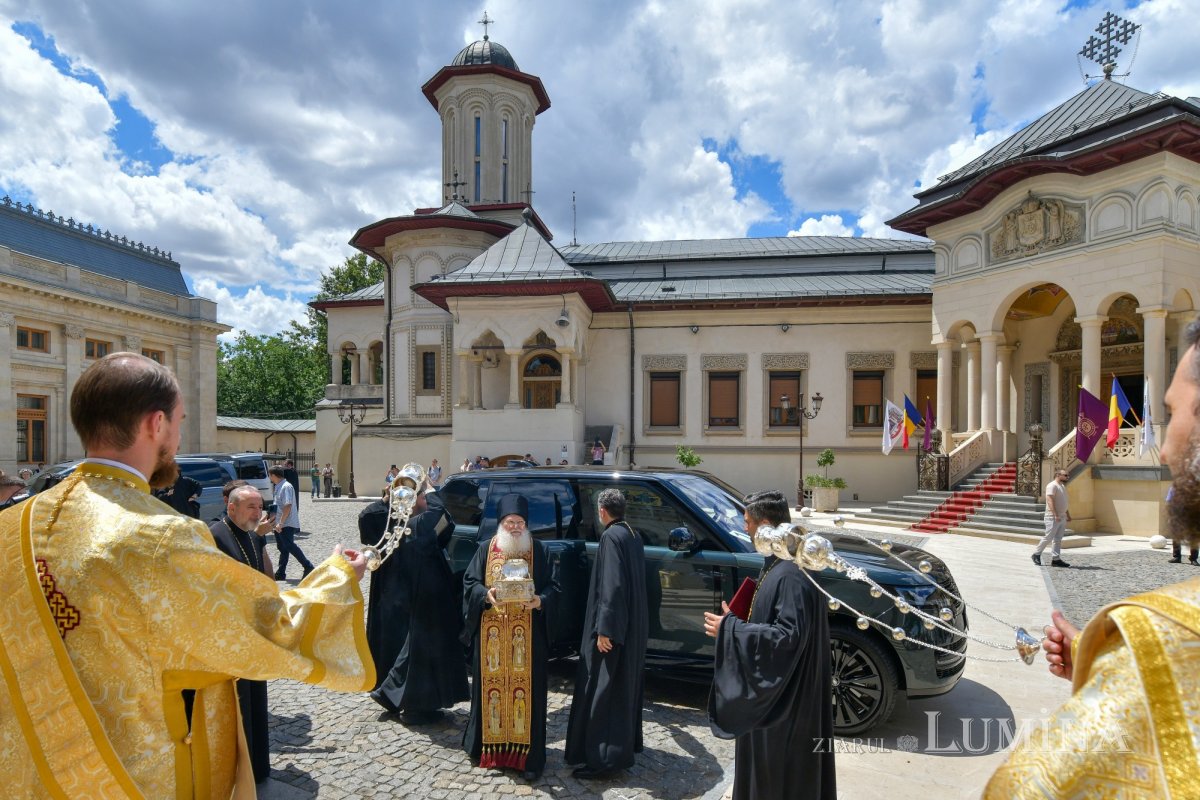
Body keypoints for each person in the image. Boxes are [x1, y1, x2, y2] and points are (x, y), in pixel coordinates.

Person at [0, 351, 374, 797]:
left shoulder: (10, 526)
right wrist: (337, 576)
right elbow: (260, 625)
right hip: (137, 773)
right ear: (155, 424)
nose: (178, 437)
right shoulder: (161, 536)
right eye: (178, 421)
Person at [985, 317, 1200, 798]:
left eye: (1176, 414)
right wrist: (1093, 656)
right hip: (1058, 532)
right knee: (1051, 545)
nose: (1163, 450)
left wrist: (1120, 664)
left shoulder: (1163, 637)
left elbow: (1027, 785)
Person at [703, 489, 835, 800]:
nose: (744, 529)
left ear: (765, 525)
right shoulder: (780, 564)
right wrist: (738, 624)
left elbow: (788, 638)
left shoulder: (790, 575)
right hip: (782, 703)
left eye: (747, 523)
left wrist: (731, 629)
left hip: (784, 711)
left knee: (778, 780)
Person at [461, 494, 560, 782]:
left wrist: (540, 601)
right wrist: (485, 595)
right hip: (492, 641)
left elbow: (556, 588)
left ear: (526, 525)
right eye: (509, 522)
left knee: (526, 701)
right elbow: (470, 583)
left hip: (527, 643)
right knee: (490, 696)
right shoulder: (485, 550)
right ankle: (488, 749)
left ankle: (529, 760)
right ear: (500, 524)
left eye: (520, 522)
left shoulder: (539, 551)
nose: (515, 527)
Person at [365, 485, 469, 722]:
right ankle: (415, 707)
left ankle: (389, 695)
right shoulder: (415, 524)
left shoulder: (412, 524)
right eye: (422, 498)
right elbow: (440, 510)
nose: (426, 500)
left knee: (415, 648)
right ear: (412, 504)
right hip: (425, 596)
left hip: (428, 593)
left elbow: (445, 526)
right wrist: (431, 488)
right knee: (422, 651)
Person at [565, 488, 648, 778]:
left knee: (603, 691)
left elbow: (612, 586)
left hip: (612, 630)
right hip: (630, 628)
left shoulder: (611, 537)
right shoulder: (631, 534)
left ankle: (602, 759)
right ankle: (619, 751)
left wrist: (605, 630)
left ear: (602, 512)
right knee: (620, 691)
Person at [208, 483, 277, 784]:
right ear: (231, 507)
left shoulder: (252, 534)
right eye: (251, 506)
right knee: (238, 705)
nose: (258, 512)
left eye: (260, 506)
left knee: (255, 701)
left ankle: (257, 767)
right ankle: (235, 773)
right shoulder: (214, 535)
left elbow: (262, 575)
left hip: (252, 632)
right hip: (229, 635)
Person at [269, 465, 315, 580]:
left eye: (270, 475)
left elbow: (287, 505)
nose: (269, 478)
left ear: (274, 475)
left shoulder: (286, 487)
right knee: (283, 548)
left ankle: (308, 566)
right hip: (279, 522)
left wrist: (280, 523)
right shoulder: (278, 486)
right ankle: (281, 572)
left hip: (286, 523)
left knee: (289, 545)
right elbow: (277, 505)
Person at [1032, 469, 1071, 567]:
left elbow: (1064, 502)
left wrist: (1068, 514)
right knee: (1048, 537)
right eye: (1065, 475)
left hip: (1062, 516)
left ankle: (1056, 559)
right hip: (1052, 516)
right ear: (1058, 475)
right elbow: (1050, 500)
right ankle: (1036, 554)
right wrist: (1055, 514)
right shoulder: (1052, 485)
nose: (1067, 477)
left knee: (1058, 539)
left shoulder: (1062, 486)